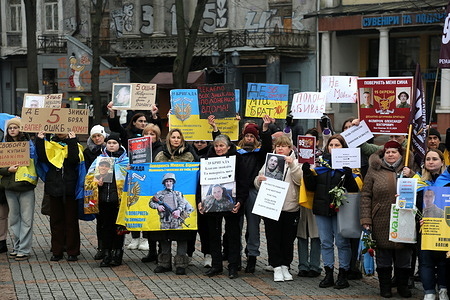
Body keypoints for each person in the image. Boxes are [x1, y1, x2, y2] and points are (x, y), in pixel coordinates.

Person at [209, 114, 272, 273]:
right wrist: (215, 129)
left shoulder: (259, 153)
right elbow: (222, 145)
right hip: (234, 192)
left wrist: (265, 129)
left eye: (252, 136)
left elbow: (266, 148)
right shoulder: (236, 151)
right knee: (235, 227)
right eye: (247, 135)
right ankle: (232, 254)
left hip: (251, 191)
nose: (249, 138)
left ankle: (252, 256)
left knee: (253, 225)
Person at [303, 134, 361, 289]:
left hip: (341, 210)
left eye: (338, 145)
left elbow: (355, 189)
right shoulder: (321, 164)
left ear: (343, 147)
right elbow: (311, 187)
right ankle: (328, 273)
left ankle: (343, 273)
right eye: (331, 145)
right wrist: (307, 173)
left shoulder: (350, 165)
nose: (334, 148)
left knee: (342, 243)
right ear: (327, 147)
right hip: (322, 209)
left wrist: (348, 176)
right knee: (326, 242)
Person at [360, 140, 414, 298]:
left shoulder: (409, 169)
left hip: (405, 218)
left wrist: (411, 175)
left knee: (404, 256)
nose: (391, 155)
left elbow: (420, 187)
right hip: (381, 218)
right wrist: (366, 219)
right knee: (383, 255)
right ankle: (385, 287)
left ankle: (403, 286)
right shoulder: (374, 170)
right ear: (383, 154)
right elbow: (366, 195)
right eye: (388, 152)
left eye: (394, 152)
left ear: (400, 154)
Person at [151, 128, 198, 275]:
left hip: (178, 214)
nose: (176, 140)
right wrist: (158, 206)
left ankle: (181, 264)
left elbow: (196, 173)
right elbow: (151, 171)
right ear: (169, 139)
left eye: (179, 137)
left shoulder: (189, 155)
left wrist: (180, 212)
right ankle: (164, 263)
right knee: (164, 237)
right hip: (165, 217)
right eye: (173, 137)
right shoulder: (160, 155)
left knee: (182, 237)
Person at [255, 135, 301, 282]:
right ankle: (276, 266)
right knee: (273, 237)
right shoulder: (271, 161)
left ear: (290, 148)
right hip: (271, 206)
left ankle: (285, 265)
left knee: (288, 238)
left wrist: (292, 164)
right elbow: (259, 179)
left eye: (283, 146)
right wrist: (259, 180)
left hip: (290, 206)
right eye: (277, 146)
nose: (280, 148)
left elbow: (300, 180)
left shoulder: (296, 162)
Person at [199, 134, 244, 279]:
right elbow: (201, 182)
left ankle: (233, 266)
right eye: (216, 146)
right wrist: (200, 201)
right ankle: (216, 265)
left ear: (228, 147)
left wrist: (240, 201)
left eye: (221, 146)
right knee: (213, 235)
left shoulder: (237, 159)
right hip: (212, 204)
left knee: (233, 235)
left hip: (231, 204)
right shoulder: (207, 159)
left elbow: (243, 181)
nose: (218, 148)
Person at [35, 130, 83, 262]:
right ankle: (57, 251)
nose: (60, 132)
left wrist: (72, 141)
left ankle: (72, 251)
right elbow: (42, 157)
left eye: (63, 129)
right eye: (58, 130)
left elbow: (74, 160)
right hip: (54, 187)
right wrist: (39, 139)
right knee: (56, 221)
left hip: (70, 188)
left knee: (71, 221)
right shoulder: (50, 144)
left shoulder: (75, 144)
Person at [85, 132, 129, 267]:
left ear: (119, 145)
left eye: (114, 143)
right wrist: (96, 182)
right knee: (105, 228)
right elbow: (89, 177)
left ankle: (117, 253)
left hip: (118, 202)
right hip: (103, 200)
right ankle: (107, 253)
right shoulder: (99, 159)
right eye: (109, 143)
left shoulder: (127, 161)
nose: (111, 145)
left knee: (119, 228)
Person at [412, 149, 449, 300]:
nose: (431, 162)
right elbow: (413, 207)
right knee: (425, 261)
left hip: (445, 229)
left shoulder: (448, 181)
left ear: (442, 162)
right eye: (428, 159)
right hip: (425, 228)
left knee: (444, 262)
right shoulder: (418, 182)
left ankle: (443, 289)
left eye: (435, 159)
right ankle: (429, 292)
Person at [0, 118, 38, 261]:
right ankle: (16, 247)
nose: (13, 130)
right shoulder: (3, 146)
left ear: (20, 129)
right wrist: (7, 169)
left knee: (27, 219)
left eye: (16, 127)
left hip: (26, 185)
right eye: (10, 128)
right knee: (14, 219)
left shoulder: (29, 145)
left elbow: (35, 158)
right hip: (10, 186)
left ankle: (24, 249)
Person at [297, 128, 322, 278]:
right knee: (301, 234)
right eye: (303, 140)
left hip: (315, 199)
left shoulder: (321, 157)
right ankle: (302, 266)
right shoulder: (296, 157)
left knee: (315, 234)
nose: (306, 143)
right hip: (300, 199)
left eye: (310, 140)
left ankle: (314, 266)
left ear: (316, 142)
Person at [140, 123, 164, 264]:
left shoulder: (161, 149)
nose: (149, 136)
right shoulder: (139, 149)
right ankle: (152, 251)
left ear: (157, 136)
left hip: (157, 187)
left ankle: (161, 252)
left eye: (152, 134)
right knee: (148, 220)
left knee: (158, 220)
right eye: (146, 134)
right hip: (144, 187)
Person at [83, 124, 107, 260]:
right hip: (96, 188)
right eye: (94, 136)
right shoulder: (88, 152)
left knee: (110, 220)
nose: (97, 138)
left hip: (111, 189)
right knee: (100, 221)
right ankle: (101, 247)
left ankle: (111, 247)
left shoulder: (110, 148)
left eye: (99, 135)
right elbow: (87, 170)